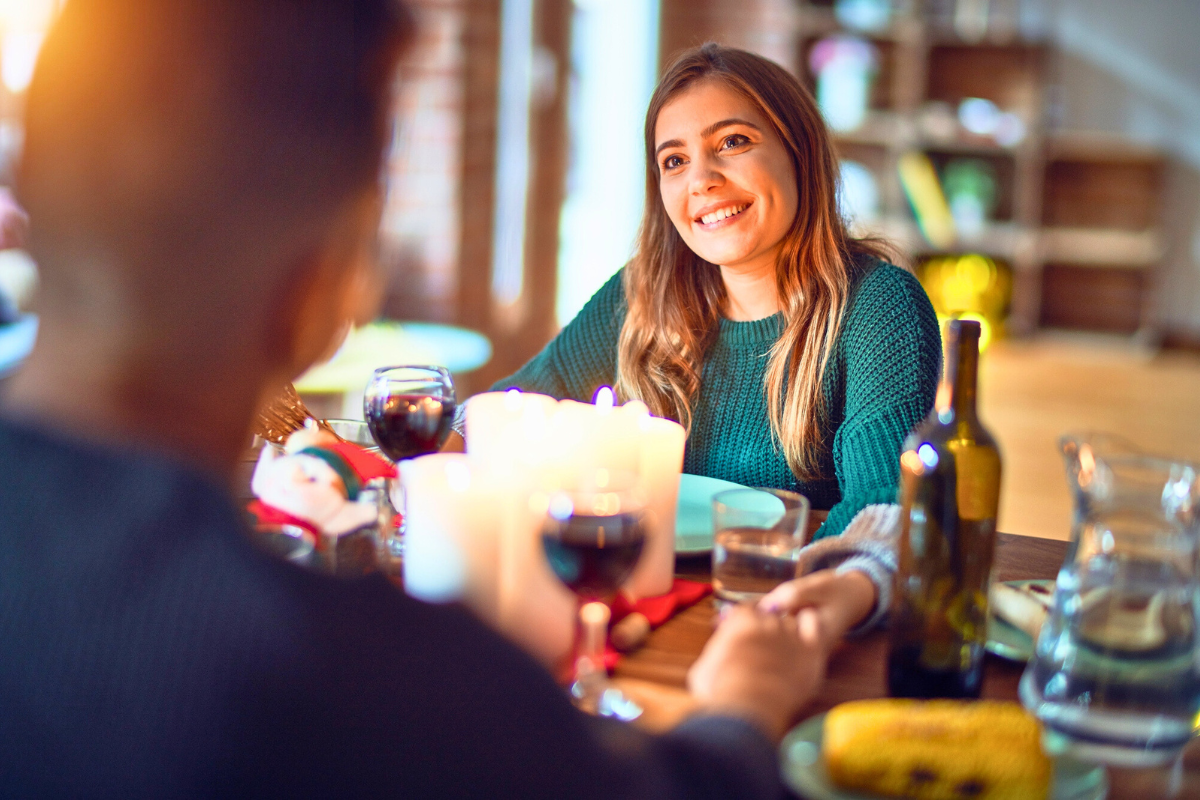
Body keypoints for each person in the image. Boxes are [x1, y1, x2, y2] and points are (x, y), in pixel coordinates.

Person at [0, 2, 825, 797]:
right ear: (325, 286)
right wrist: (747, 704)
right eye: (674, 157)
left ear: (23, 200)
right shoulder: (381, 682)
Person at [449, 44, 942, 642]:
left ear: (799, 151)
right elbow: (510, 408)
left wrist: (826, 604)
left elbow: (885, 508)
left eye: (732, 142)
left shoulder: (878, 304)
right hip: (631, 602)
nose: (703, 181)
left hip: (777, 614)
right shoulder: (642, 294)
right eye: (674, 160)